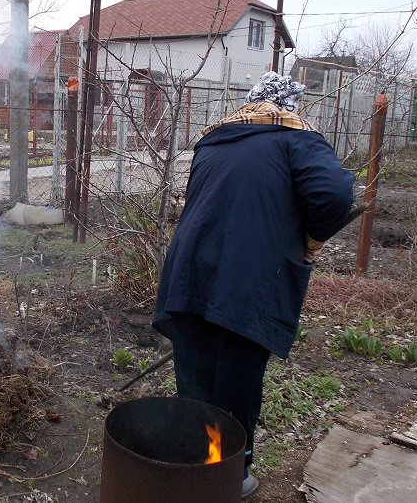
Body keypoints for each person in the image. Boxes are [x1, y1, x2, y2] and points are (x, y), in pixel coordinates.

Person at [152, 72, 355, 499]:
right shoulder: (297, 140)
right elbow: (335, 197)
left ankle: (196, 463)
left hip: (188, 272)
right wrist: (311, 240)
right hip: (247, 280)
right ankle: (229, 475)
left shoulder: (213, 141)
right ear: (288, 108)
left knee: (194, 374)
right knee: (238, 379)